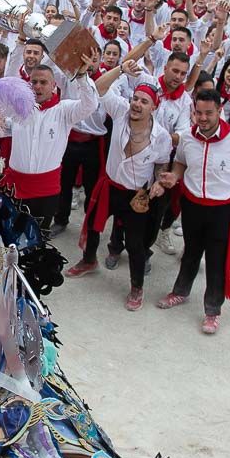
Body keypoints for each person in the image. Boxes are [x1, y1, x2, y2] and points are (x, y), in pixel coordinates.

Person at [69, 60, 172, 311]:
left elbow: (161, 165)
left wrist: (159, 182)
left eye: (144, 101)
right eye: (135, 99)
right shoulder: (119, 111)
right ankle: (89, 260)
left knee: (135, 244)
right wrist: (121, 71)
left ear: (153, 107)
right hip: (109, 186)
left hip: (136, 195)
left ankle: (137, 287)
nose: (137, 104)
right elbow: (99, 86)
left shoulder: (161, 137)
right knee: (93, 226)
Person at [156, 89, 230, 334]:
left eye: (208, 113)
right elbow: (181, 161)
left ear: (219, 110)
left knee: (216, 261)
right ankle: (180, 291)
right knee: (190, 252)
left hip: (222, 210)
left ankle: (212, 310)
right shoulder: (188, 138)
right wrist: (175, 176)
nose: (203, 118)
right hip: (193, 205)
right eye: (198, 112)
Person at [2, 53, 99, 234]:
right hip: (16, 186)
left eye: (43, 82)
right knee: (11, 237)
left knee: (38, 238)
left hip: (45, 191)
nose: (38, 86)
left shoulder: (64, 110)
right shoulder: (17, 109)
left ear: (54, 86)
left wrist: (82, 77)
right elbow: (7, 82)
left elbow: (90, 104)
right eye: (34, 82)